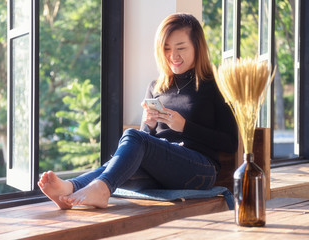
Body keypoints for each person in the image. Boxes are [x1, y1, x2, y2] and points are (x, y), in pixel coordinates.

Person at [38, 13, 238, 210]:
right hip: (163, 172)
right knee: (123, 161)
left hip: (200, 171)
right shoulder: (156, 87)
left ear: (197, 47)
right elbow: (144, 142)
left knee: (132, 137)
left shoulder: (217, 85)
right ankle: (69, 188)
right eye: (166, 48)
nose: (173, 55)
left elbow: (230, 143)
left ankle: (100, 189)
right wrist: (149, 125)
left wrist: (184, 126)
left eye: (181, 48)